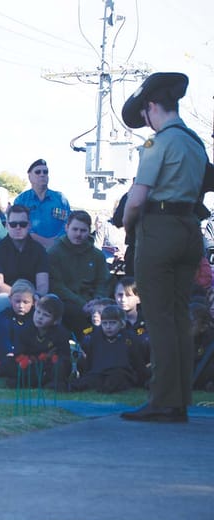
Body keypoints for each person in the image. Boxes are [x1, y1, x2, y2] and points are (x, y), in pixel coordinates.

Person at [120, 72, 207, 423]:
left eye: (145, 116)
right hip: (189, 228)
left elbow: (137, 200)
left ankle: (162, 401)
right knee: (179, 317)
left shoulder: (157, 144)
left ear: (152, 106)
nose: (146, 123)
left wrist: (127, 225)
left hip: (159, 229)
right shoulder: (194, 142)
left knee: (158, 319)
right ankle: (180, 398)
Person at [47, 210, 110, 337]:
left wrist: (98, 300)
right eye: (75, 229)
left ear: (89, 231)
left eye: (83, 230)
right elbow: (57, 286)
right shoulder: (54, 253)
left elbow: (103, 281)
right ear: (67, 228)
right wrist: (82, 304)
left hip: (93, 301)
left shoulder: (97, 255)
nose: (78, 234)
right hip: (68, 301)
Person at [0, 205, 49, 322]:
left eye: (23, 224)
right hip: (6, 296)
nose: (18, 227)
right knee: (2, 300)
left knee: (52, 300)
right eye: (13, 224)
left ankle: (45, 339)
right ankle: (1, 340)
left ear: (29, 225)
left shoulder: (39, 250)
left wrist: (32, 298)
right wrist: (21, 298)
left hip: (33, 297)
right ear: (7, 225)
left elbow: (43, 285)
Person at [71, 305, 145, 393]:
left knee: (116, 379)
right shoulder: (95, 337)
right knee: (87, 381)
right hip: (99, 372)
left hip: (121, 372)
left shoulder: (129, 338)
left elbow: (137, 361)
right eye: (105, 323)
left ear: (121, 323)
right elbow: (90, 360)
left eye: (112, 323)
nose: (108, 327)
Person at [0, 279, 36, 378]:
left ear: (33, 302)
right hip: (7, 352)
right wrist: (10, 353)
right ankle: (8, 367)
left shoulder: (35, 318)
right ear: (10, 299)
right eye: (17, 301)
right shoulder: (3, 317)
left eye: (25, 302)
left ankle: (7, 369)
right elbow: (3, 339)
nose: (21, 306)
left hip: (27, 352)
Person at [12, 294, 72, 389]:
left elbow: (64, 355)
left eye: (46, 315)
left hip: (50, 365)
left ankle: (54, 383)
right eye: (38, 312)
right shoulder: (25, 330)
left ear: (55, 321)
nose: (39, 317)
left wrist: (50, 358)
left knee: (60, 365)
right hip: (32, 363)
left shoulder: (61, 334)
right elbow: (19, 353)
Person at [13, 158, 72, 250]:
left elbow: (68, 223)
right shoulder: (21, 200)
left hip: (58, 250)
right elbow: (18, 225)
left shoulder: (60, 199)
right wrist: (44, 241)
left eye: (45, 172)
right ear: (29, 176)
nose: (42, 174)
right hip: (29, 249)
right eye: (38, 172)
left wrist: (56, 241)